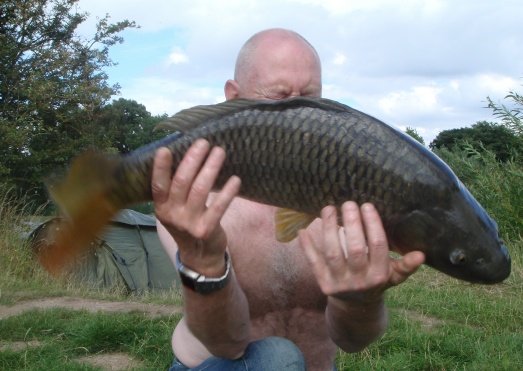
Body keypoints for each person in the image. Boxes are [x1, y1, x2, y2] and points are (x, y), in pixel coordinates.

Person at [152, 28, 425, 371]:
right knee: (277, 360)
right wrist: (204, 264)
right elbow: (227, 343)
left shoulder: (346, 204)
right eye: (279, 97)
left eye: (311, 97)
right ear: (233, 98)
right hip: (220, 364)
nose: (299, 113)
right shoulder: (190, 202)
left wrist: (359, 301)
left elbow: (353, 341)